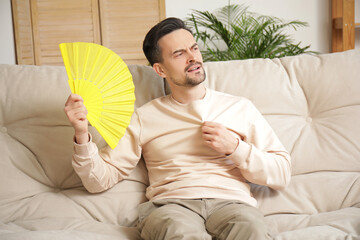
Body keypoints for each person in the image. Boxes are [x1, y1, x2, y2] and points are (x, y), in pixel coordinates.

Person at [64, 17, 291, 240]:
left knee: (253, 230)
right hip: (171, 207)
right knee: (178, 232)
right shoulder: (144, 117)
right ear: (160, 70)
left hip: (232, 205)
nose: (193, 58)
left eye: (194, 48)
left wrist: (236, 148)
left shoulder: (240, 107)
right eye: (179, 54)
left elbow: (281, 173)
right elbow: (99, 181)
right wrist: (82, 134)